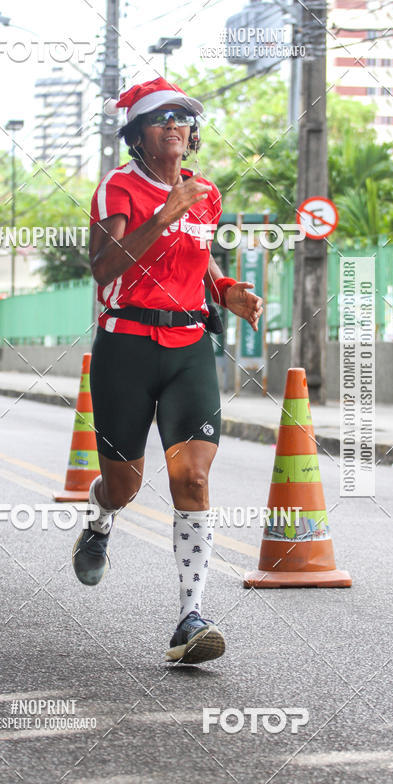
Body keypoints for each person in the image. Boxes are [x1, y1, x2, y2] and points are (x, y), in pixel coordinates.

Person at [72, 78, 263, 664]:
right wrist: (162, 215)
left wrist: (226, 291)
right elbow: (103, 268)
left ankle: (190, 619)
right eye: (162, 118)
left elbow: (199, 260)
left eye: (183, 117)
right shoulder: (119, 188)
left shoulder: (205, 193)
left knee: (194, 478)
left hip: (187, 349)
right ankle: (102, 518)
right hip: (126, 346)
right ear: (137, 134)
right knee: (125, 485)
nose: (175, 125)